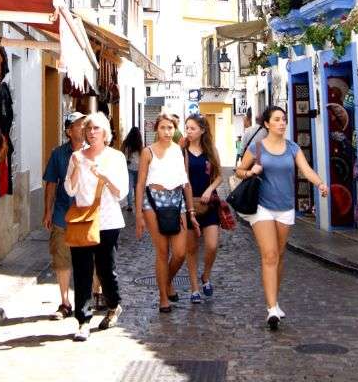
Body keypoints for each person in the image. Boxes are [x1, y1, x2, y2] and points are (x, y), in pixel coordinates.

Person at [233, 105, 327, 330]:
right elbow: (238, 171)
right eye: (276, 119)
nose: (282, 123)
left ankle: (275, 297)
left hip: (285, 207)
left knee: (280, 255)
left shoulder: (293, 148)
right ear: (267, 124)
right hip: (262, 207)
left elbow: (306, 169)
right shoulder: (258, 148)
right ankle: (272, 308)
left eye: (284, 119)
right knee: (270, 254)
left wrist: (320, 183)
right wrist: (250, 172)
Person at [64, 111, 129, 341]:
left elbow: (122, 192)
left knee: (105, 270)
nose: (92, 133)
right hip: (83, 220)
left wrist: (104, 177)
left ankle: (114, 304)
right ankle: (83, 321)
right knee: (82, 271)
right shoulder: (77, 157)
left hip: (109, 220)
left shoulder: (116, 157)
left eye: (96, 129)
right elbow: (70, 190)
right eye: (89, 129)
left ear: (105, 133)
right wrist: (74, 169)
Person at [135, 113, 199, 312]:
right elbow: (139, 184)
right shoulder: (148, 152)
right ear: (157, 129)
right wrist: (138, 214)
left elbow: (186, 182)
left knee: (179, 252)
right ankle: (163, 297)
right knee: (163, 252)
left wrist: (191, 212)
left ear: (175, 129)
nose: (166, 132)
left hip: (177, 199)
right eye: (163, 127)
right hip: (154, 201)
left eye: (170, 128)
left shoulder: (180, 151)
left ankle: (167, 281)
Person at [41, 112, 85, 317]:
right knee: (61, 258)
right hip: (63, 213)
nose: (85, 128)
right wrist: (47, 211)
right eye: (79, 125)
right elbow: (51, 183)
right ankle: (65, 302)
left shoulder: (94, 152)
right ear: (69, 131)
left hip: (88, 214)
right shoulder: (58, 154)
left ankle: (93, 296)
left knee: (90, 256)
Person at [183, 113, 224, 303]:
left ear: (202, 130)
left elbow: (219, 176)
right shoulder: (182, 151)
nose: (189, 131)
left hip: (209, 205)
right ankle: (194, 288)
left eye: (192, 128)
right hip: (187, 204)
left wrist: (209, 189)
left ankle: (206, 275)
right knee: (191, 249)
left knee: (212, 245)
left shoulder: (210, 150)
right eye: (187, 128)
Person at [122, 125, 143, 212]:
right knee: (137, 187)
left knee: (129, 188)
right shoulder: (139, 143)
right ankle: (139, 206)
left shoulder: (126, 143)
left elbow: (123, 155)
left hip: (129, 168)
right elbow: (142, 156)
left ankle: (130, 205)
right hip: (139, 168)